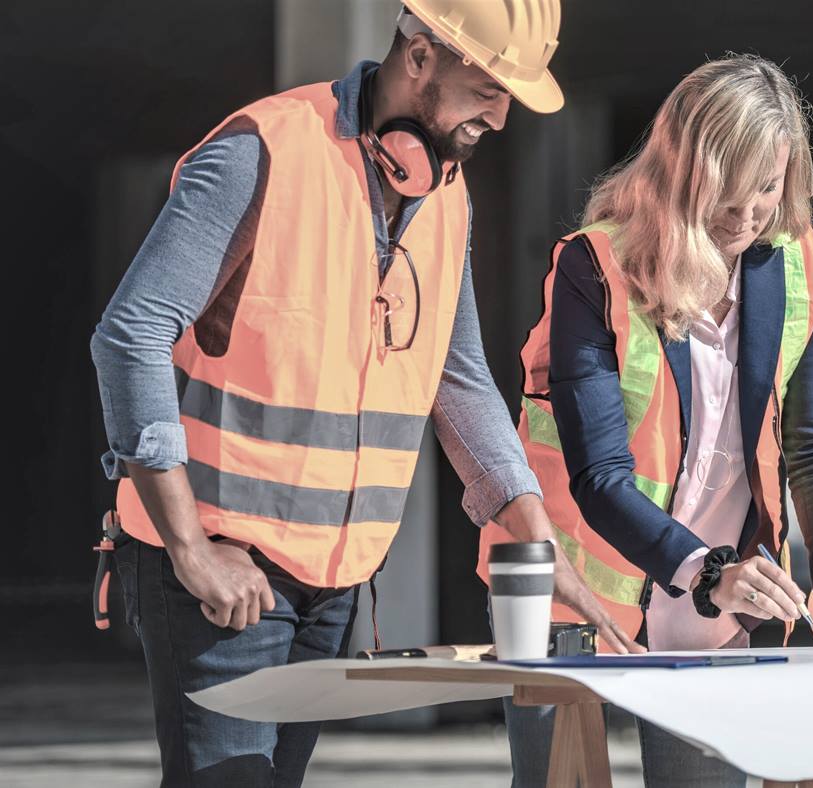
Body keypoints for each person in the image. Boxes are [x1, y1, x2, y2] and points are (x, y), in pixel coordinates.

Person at [90, 3, 623, 785]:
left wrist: (534, 540)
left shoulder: (446, 198)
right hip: (221, 567)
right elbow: (129, 334)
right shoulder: (261, 152)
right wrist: (189, 550)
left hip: (334, 582)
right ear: (419, 57)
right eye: (486, 89)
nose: (500, 118)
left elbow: (460, 377)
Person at [477, 54, 813, 786]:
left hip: (722, 591)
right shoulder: (595, 266)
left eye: (768, 190)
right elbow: (599, 474)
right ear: (683, 172)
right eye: (727, 194)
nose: (747, 218)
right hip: (578, 587)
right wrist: (706, 571)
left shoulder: (803, 261)